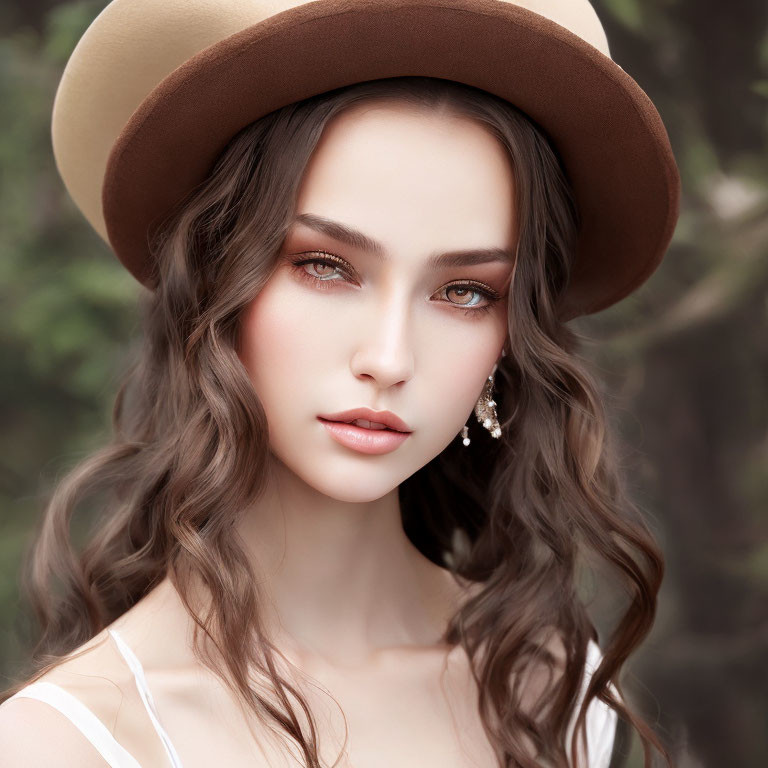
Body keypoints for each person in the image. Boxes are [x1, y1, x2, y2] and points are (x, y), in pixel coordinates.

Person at [0, 1, 681, 767]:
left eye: (466, 291)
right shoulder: (66, 743)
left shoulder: (546, 683)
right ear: (215, 284)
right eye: (325, 266)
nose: (389, 358)